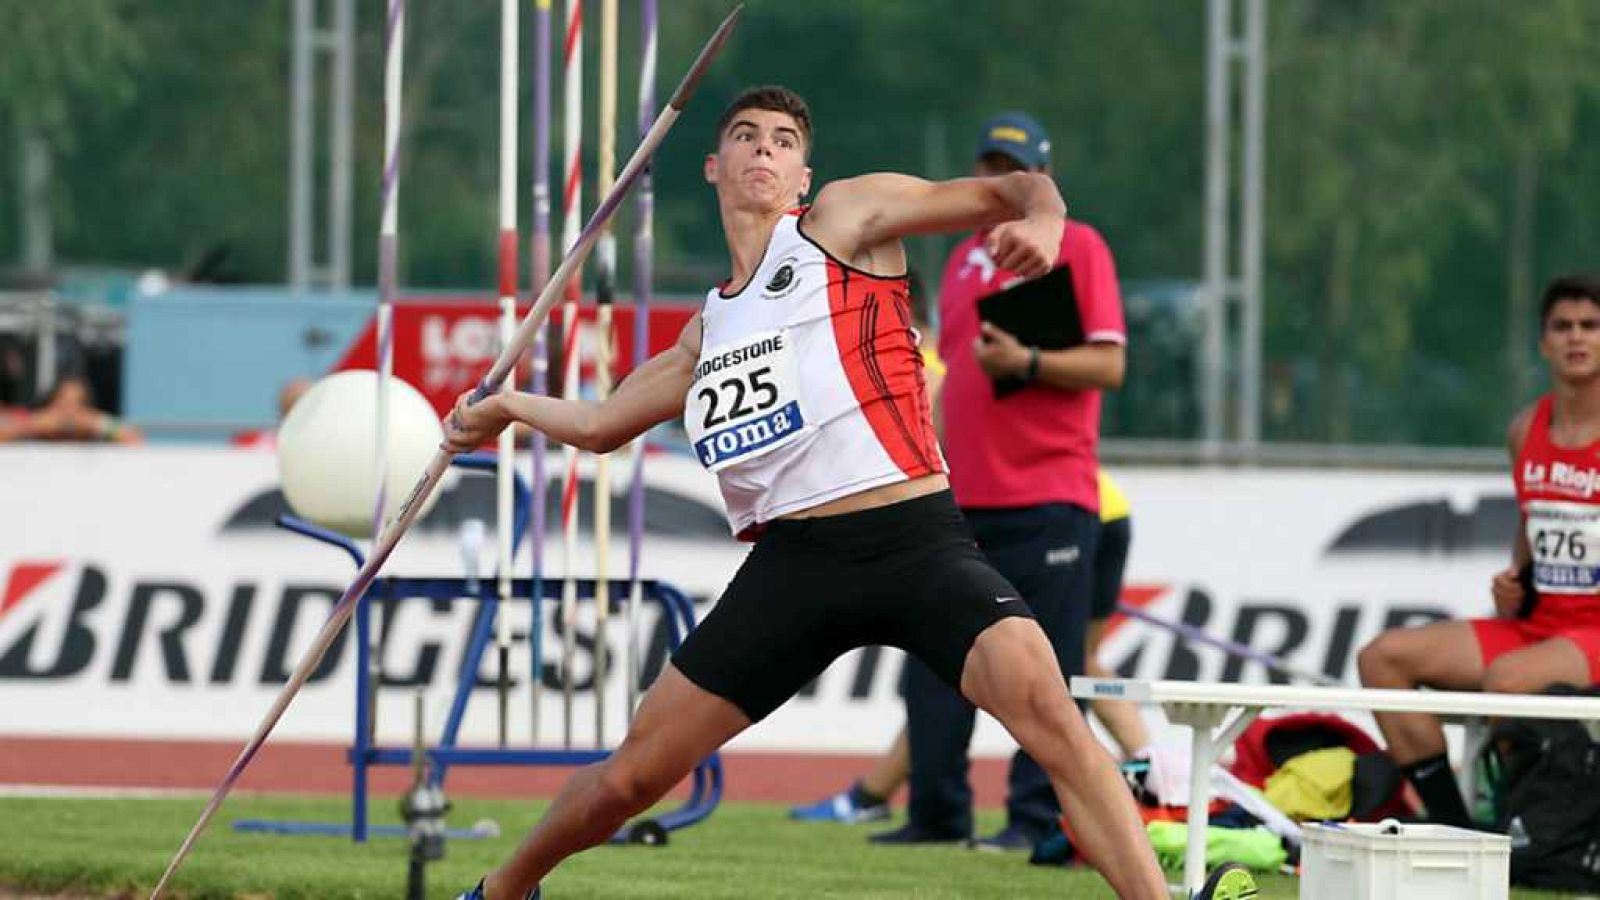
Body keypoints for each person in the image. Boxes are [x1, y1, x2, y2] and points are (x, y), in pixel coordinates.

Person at [442, 86, 1254, 900]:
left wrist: (1043, 219)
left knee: (1051, 716)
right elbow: (600, 422)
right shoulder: (708, 330)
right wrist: (507, 407)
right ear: (714, 168)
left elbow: (1014, 191)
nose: (765, 149)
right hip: (796, 565)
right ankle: (502, 890)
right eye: (747, 138)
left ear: (803, 173)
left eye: (784, 140)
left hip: (916, 538)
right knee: (631, 778)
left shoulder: (841, 222)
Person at [873, 110, 1128, 852]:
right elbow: (949, 383)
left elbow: (1111, 365)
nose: (991, 180)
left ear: (1040, 174)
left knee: (1047, 674)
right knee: (935, 662)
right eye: (985, 165)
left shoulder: (1077, 245)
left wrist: (1031, 366)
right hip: (963, 501)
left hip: (1050, 497)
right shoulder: (958, 261)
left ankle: (1034, 821)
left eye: (1007, 167)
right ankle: (935, 815)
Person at [1357, 273, 1600, 828]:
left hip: (1593, 632)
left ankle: (1531, 828)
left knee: (1509, 680)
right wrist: (1516, 579)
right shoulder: (1525, 428)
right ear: (1544, 343)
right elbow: (1532, 524)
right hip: (1540, 628)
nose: (1576, 337)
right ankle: (1455, 830)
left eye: (1590, 325)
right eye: (1562, 327)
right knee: (1383, 658)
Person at [789, 469, 1150, 826]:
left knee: (954, 662)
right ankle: (1160, 777)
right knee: (1078, 664)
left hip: (1035, 511)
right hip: (1099, 507)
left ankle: (870, 796)